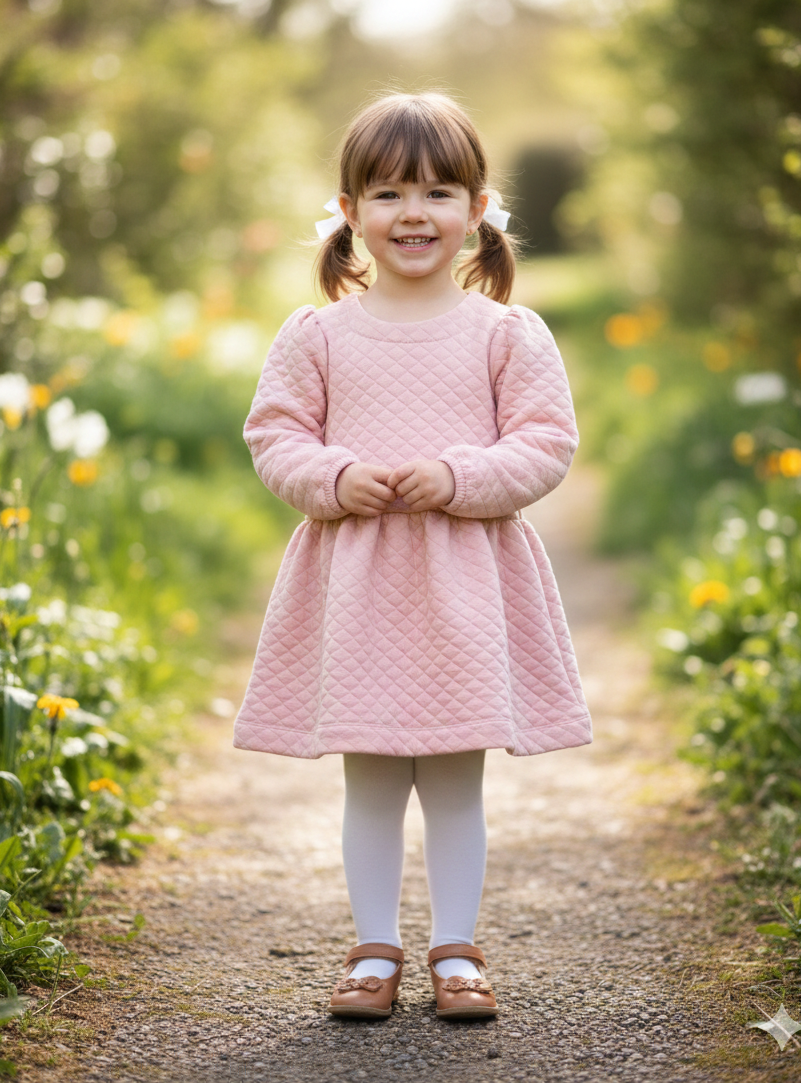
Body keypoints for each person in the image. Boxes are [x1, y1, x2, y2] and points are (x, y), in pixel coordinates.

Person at [233, 92, 592, 1021]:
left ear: (477, 209)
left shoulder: (506, 334)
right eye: (388, 193)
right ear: (350, 212)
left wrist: (460, 475)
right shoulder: (316, 334)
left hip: (466, 584)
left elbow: (546, 441)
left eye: (437, 191)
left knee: (454, 777)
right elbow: (274, 434)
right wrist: (332, 475)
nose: (413, 214)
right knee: (374, 775)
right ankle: (372, 951)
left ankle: (457, 951)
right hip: (355, 586)